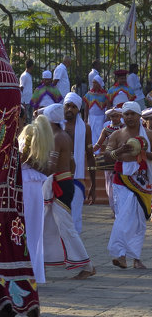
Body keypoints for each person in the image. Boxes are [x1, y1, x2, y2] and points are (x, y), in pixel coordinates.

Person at [42, 102, 96, 279]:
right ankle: (41, 262)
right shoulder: (64, 136)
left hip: (60, 185)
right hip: (64, 183)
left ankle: (87, 265)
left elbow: (50, 167)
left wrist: (29, 165)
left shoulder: (57, 137)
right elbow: (72, 163)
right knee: (48, 225)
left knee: (65, 226)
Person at [104, 101, 152, 269]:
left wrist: (143, 152)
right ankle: (121, 255)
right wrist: (119, 152)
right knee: (123, 216)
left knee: (139, 221)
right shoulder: (117, 135)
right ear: (123, 116)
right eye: (127, 114)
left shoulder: (148, 134)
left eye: (133, 114)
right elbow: (107, 154)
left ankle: (136, 258)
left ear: (139, 116)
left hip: (142, 180)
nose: (129, 117)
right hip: (122, 180)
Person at [18, 114, 54, 284]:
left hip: (26, 185)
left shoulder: (27, 135)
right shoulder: (27, 134)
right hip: (31, 186)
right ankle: (30, 269)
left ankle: (28, 269)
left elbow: (26, 160)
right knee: (31, 229)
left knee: (29, 229)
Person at [63, 92, 96, 232]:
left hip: (76, 179)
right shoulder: (54, 125)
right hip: (56, 178)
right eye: (67, 106)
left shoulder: (86, 128)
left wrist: (93, 184)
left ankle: (75, 253)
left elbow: (90, 156)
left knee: (75, 220)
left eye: (74, 107)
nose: (70, 109)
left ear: (78, 109)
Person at [94, 107, 123, 213]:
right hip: (109, 159)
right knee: (110, 184)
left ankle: (121, 208)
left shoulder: (125, 128)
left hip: (122, 158)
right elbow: (98, 144)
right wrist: (89, 151)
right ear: (109, 117)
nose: (115, 118)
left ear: (121, 116)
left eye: (117, 116)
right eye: (112, 116)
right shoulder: (106, 130)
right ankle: (114, 209)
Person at [83, 74, 107, 147]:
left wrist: (107, 118)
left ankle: (99, 149)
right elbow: (86, 107)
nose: (93, 84)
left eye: (95, 82)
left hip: (101, 118)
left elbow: (107, 106)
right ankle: (92, 149)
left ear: (99, 83)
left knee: (100, 132)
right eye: (93, 82)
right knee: (91, 133)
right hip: (91, 118)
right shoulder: (89, 94)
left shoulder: (104, 94)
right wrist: (85, 118)